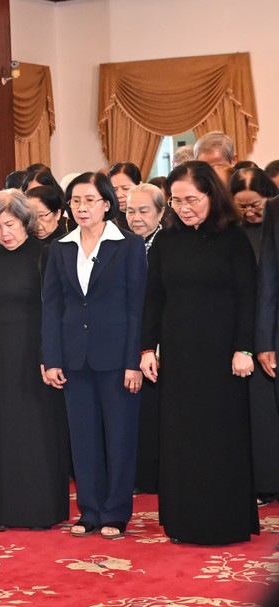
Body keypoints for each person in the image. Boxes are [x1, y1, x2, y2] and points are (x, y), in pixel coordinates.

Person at [141, 160, 258, 545]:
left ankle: (224, 522)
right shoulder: (166, 241)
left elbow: (248, 298)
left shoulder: (234, 239)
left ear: (212, 195)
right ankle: (184, 521)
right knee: (182, 438)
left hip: (223, 355)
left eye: (191, 199)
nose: (183, 207)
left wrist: (244, 348)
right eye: (176, 201)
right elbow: (153, 299)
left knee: (221, 436)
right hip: (179, 353)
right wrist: (146, 348)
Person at [42, 172, 146, 539]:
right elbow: (52, 306)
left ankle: (115, 512)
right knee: (83, 438)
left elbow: (137, 307)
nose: (81, 207)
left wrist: (133, 361)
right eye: (75, 201)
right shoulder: (60, 247)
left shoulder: (129, 245)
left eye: (89, 200)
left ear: (106, 203)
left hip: (117, 357)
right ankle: (89, 510)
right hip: (74, 357)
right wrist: (51, 358)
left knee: (119, 437)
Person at [0, 189, 69, 529]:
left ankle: (44, 511)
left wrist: (51, 355)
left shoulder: (46, 254)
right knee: (4, 434)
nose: (5, 233)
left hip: (38, 357)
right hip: (0, 357)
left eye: (11, 224)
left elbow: (56, 310)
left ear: (25, 222)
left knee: (40, 433)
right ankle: (9, 511)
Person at [230, 168, 279, 506]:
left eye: (255, 205)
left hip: (266, 328)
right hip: (256, 333)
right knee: (260, 415)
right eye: (242, 207)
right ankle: (265, 481)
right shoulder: (234, 235)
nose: (250, 212)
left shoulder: (271, 223)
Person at [124, 183, 167, 495]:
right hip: (124, 337)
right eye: (130, 211)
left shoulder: (168, 243)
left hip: (158, 338)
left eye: (143, 211)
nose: (136, 217)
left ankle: (156, 476)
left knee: (154, 411)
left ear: (161, 212)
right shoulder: (119, 243)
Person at [108, 162, 143, 230]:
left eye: (125, 188)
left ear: (140, 186)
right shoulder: (108, 222)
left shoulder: (153, 213)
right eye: (114, 190)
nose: (119, 195)